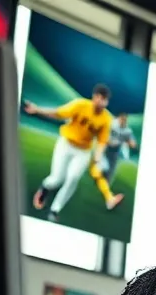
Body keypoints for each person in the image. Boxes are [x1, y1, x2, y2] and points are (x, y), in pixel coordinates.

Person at [25, 84, 115, 223]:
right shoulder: (80, 105)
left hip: (83, 151)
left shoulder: (106, 118)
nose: (102, 102)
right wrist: (37, 110)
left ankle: (55, 210)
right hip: (66, 144)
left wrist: (97, 156)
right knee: (57, 178)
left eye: (105, 99)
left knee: (73, 178)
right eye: (100, 98)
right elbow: (58, 113)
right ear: (94, 97)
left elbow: (102, 141)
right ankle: (45, 187)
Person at [88, 112, 134, 211]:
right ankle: (110, 198)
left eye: (125, 119)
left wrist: (130, 143)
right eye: (122, 118)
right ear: (119, 117)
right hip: (104, 151)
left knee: (106, 180)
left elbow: (131, 142)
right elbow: (101, 134)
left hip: (114, 156)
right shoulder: (111, 124)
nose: (124, 120)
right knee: (96, 171)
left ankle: (109, 200)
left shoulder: (127, 130)